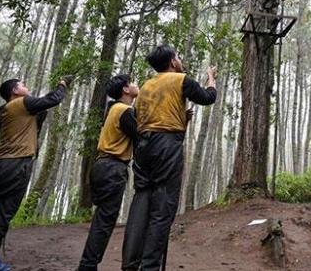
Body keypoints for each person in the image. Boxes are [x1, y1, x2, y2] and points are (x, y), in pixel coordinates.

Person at [121, 45, 217, 271]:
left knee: (142, 200)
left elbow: (142, 118)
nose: (180, 60)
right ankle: (150, 267)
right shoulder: (181, 80)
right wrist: (211, 78)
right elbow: (208, 97)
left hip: (143, 148)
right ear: (173, 62)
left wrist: (181, 121)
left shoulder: (146, 86)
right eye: (178, 57)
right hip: (166, 148)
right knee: (162, 208)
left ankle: (130, 264)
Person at [0, 77, 70, 271]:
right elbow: (53, 100)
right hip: (15, 165)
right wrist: (62, 84)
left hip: (2, 164)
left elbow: (39, 113)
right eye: (22, 84)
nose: (26, 86)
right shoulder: (21, 103)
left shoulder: (6, 110)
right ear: (14, 91)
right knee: (3, 212)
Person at [78, 74, 139, 271]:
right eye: (132, 82)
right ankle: (87, 266)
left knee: (101, 218)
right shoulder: (124, 111)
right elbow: (141, 136)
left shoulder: (114, 109)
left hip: (102, 166)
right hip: (113, 168)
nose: (136, 84)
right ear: (125, 89)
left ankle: (87, 264)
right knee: (104, 221)